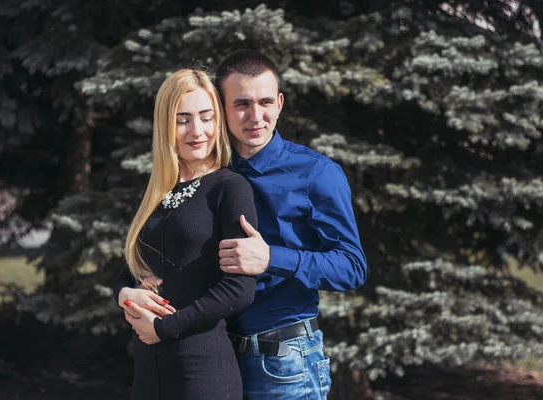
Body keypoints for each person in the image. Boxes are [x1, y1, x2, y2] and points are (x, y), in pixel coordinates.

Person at [214, 49, 367, 399]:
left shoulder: (317, 174)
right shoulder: (212, 172)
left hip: (284, 362)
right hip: (217, 358)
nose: (256, 116)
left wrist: (271, 259)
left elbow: (352, 266)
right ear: (221, 107)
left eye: (266, 102)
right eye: (242, 104)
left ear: (280, 103)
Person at [112, 68, 258, 400]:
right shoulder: (156, 191)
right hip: (149, 374)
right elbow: (128, 270)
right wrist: (124, 294)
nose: (198, 131)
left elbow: (240, 288)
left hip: (202, 373)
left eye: (206, 118)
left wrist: (164, 328)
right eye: (183, 120)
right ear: (166, 125)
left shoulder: (229, 188)